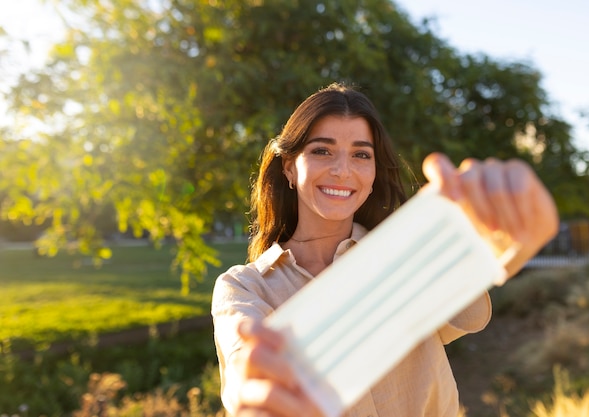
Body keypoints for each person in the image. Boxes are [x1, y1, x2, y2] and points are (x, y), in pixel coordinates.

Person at [211, 83, 558, 417]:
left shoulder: (408, 258)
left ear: (375, 171)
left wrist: (508, 224)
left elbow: (483, 266)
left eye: (361, 154)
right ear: (289, 166)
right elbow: (244, 360)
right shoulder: (244, 286)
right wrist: (256, 387)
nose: (342, 170)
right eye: (322, 150)